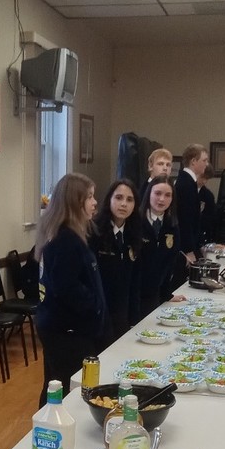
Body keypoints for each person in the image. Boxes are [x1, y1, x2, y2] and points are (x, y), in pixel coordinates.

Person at [34, 173, 106, 406]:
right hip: (67, 332)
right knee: (64, 387)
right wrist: (94, 305)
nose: (95, 203)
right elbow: (67, 288)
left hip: (62, 328)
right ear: (75, 202)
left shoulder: (71, 235)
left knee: (55, 383)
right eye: (90, 197)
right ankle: (52, 431)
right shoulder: (66, 240)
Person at [88, 179, 142, 345]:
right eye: (118, 198)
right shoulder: (94, 231)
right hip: (97, 313)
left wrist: (134, 318)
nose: (123, 204)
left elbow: (134, 281)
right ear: (109, 200)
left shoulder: (134, 234)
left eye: (129, 199)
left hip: (121, 312)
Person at [137, 176, 186, 320]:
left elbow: (169, 263)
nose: (162, 199)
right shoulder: (136, 222)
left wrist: (167, 294)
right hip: (132, 294)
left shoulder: (172, 226)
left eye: (167, 195)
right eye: (157, 193)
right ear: (149, 193)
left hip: (153, 295)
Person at [175, 143, 209, 265]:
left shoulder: (189, 182)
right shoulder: (186, 184)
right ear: (193, 161)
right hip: (185, 247)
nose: (206, 164)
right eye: (204, 160)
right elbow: (185, 219)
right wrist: (189, 250)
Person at [198, 162, 218, 246]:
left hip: (202, 232)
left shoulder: (208, 195)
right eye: (202, 177)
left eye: (207, 179)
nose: (204, 181)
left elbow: (210, 219)